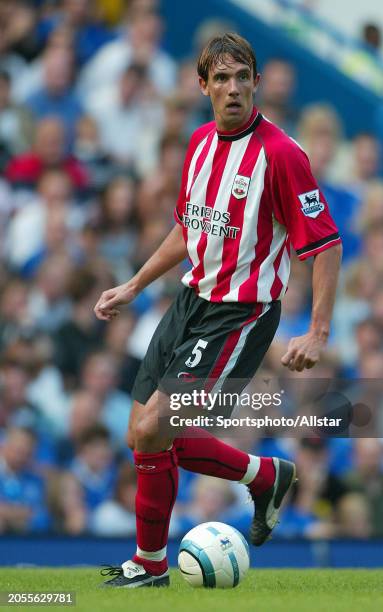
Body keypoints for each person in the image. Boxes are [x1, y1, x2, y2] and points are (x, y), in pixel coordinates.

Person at [94, 32, 342, 588]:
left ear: (256, 82)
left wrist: (318, 331)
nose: (233, 89)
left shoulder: (281, 155)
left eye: (242, 77)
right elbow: (190, 227)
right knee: (142, 433)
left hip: (242, 313)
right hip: (190, 301)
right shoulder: (200, 141)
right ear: (202, 85)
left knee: (160, 425)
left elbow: (325, 244)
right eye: (221, 79)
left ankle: (150, 565)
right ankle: (260, 478)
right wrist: (134, 284)